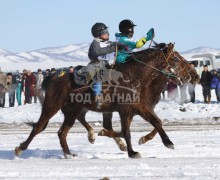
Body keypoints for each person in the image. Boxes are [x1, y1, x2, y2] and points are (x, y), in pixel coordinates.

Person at [87, 22, 126, 109]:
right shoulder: (95, 43)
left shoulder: (107, 42)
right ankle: (98, 97)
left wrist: (123, 46)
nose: (107, 33)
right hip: (96, 65)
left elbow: (116, 44)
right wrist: (113, 48)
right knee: (98, 76)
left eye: (107, 31)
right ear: (98, 34)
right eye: (105, 32)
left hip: (106, 64)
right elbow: (98, 52)